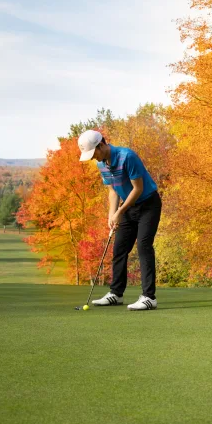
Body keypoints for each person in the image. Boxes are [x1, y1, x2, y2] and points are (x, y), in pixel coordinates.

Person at [78, 130, 162, 310]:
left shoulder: (127, 156)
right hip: (128, 207)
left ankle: (149, 297)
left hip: (148, 204)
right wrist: (112, 214)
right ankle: (116, 293)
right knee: (119, 249)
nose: (94, 158)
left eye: (94, 153)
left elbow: (137, 189)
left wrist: (120, 211)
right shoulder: (102, 164)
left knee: (143, 246)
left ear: (101, 145)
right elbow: (113, 191)